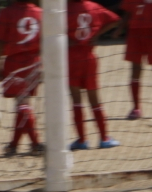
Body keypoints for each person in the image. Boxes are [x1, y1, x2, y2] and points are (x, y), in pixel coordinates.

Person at [0, 0, 44, 157]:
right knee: (23, 104)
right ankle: (16, 145)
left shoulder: (6, 13)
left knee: (22, 104)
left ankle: (34, 144)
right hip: (34, 62)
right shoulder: (40, 13)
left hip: (14, 62)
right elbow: (45, 41)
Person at [67, 0, 122, 150]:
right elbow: (116, 20)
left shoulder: (63, 9)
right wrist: (97, 34)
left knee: (76, 100)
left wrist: (66, 39)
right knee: (95, 100)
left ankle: (82, 140)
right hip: (89, 56)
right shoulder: (93, 7)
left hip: (71, 57)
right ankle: (104, 138)